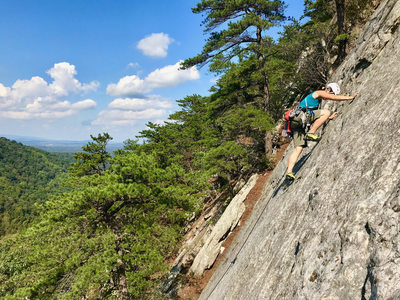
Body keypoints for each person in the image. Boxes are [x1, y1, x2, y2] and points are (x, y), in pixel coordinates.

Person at [286, 83, 358, 180]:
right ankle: (311, 133)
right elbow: (332, 98)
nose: (331, 95)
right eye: (332, 92)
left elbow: (314, 118)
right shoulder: (318, 93)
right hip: (300, 117)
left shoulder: (315, 102)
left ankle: (289, 172)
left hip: (295, 123)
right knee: (326, 111)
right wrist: (349, 98)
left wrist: (328, 117)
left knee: (298, 149)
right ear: (328, 89)